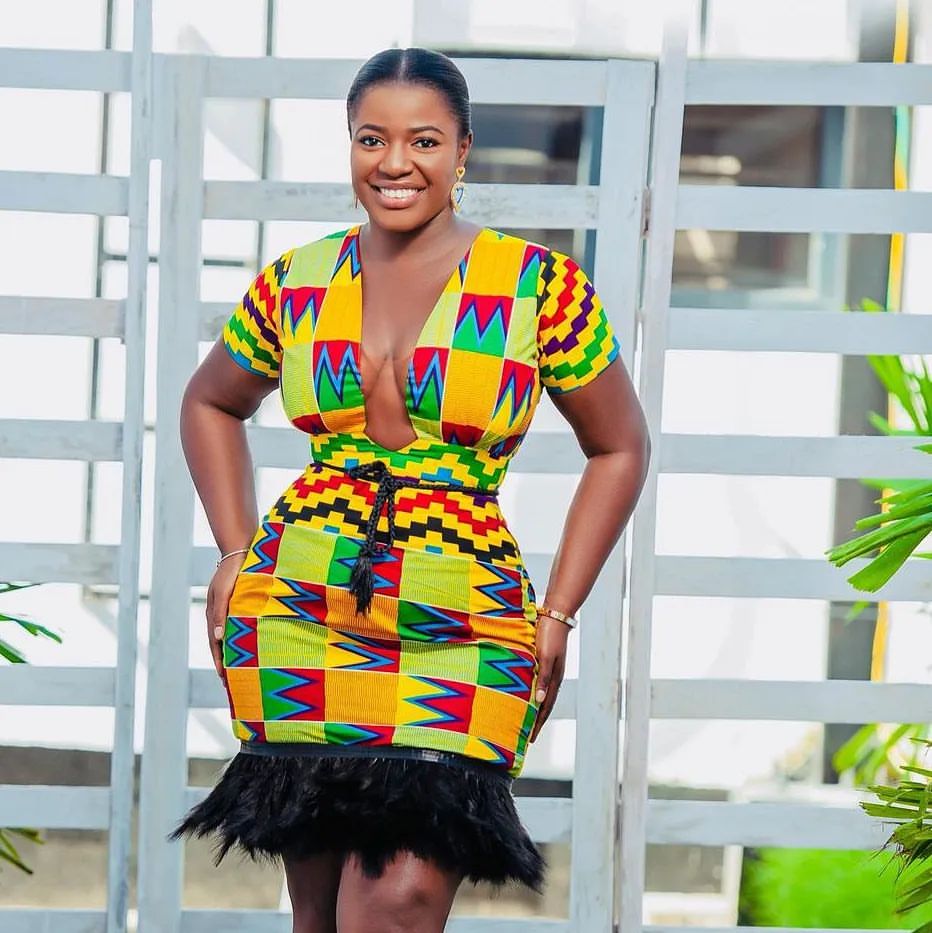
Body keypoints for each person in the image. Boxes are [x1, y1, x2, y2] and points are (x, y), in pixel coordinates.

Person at [169, 46, 650, 933]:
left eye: (423, 140)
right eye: (372, 139)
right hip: (300, 607)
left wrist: (558, 612)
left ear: (463, 150)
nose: (395, 163)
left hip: (461, 620)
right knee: (318, 914)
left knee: (396, 902)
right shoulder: (296, 280)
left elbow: (620, 445)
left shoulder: (539, 287)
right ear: (350, 146)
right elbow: (209, 402)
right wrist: (236, 550)